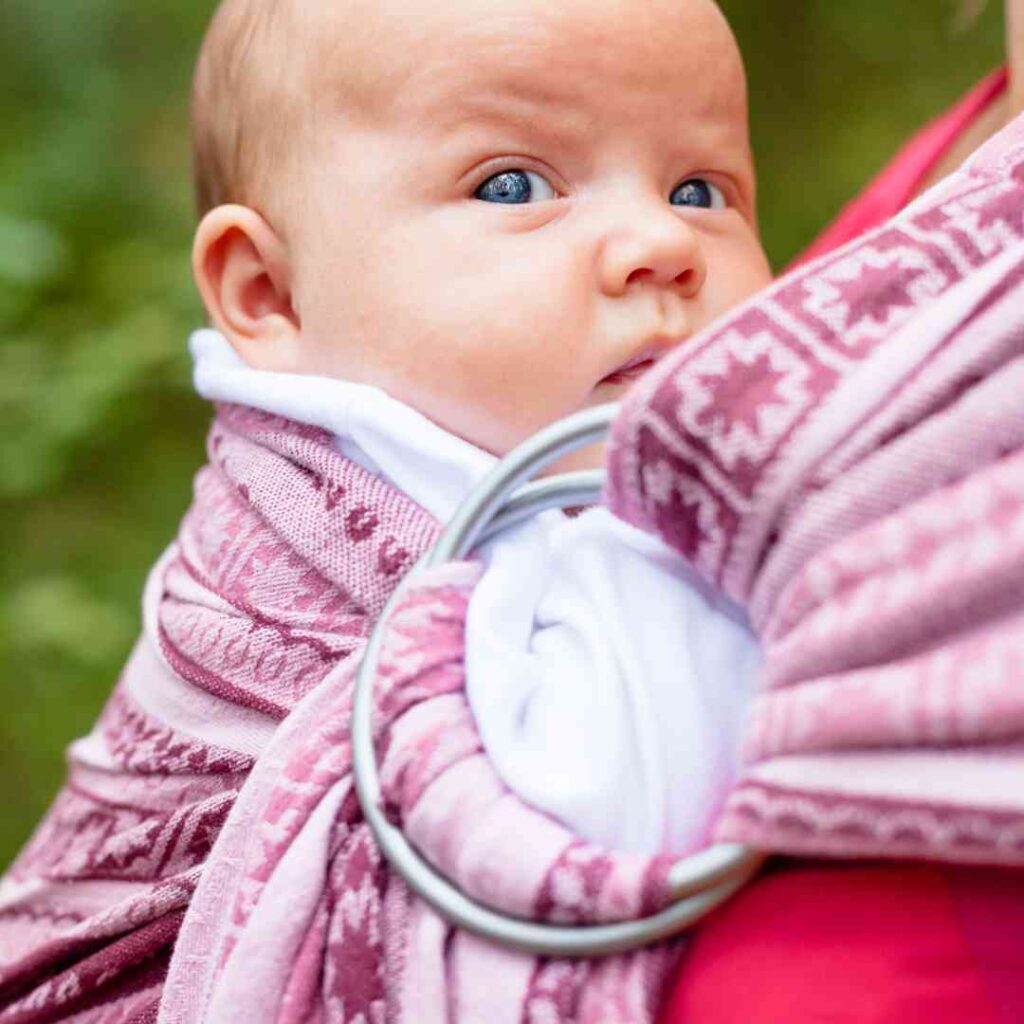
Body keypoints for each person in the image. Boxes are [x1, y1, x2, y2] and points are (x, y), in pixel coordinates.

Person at [0, 0, 773, 1019]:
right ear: (269, 292)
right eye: (513, 183)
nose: (662, 242)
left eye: (700, 186)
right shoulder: (331, 523)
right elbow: (612, 805)